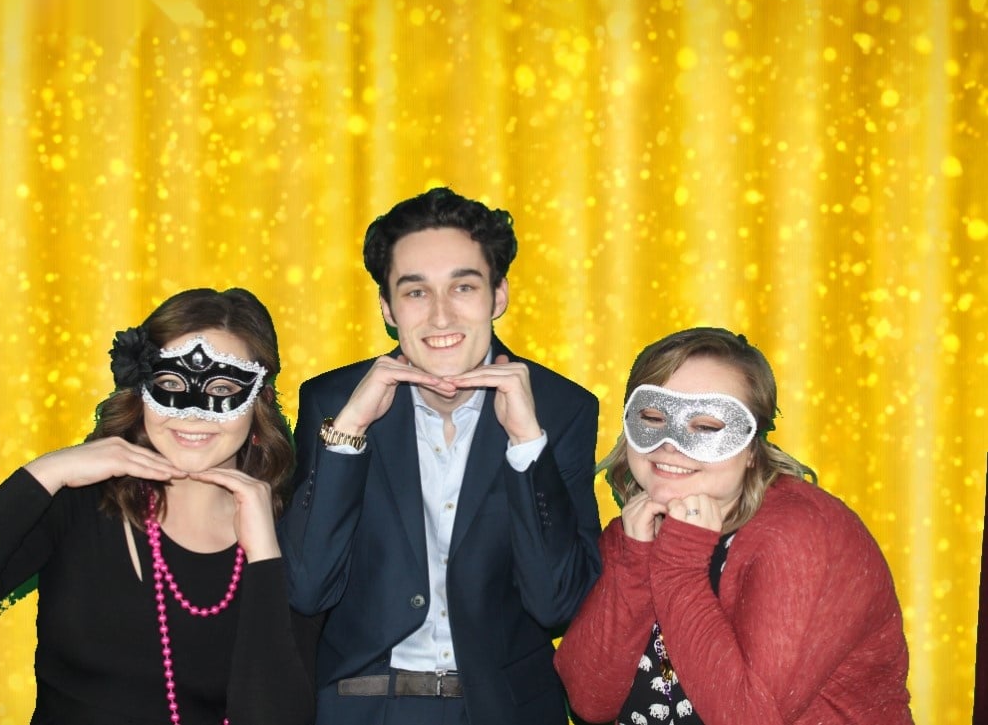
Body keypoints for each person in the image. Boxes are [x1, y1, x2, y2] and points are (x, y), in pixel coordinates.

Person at [278, 187, 602, 725]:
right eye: (416, 292)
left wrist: (527, 444)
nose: (441, 315)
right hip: (362, 705)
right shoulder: (333, 402)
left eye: (463, 286)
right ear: (387, 308)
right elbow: (307, 588)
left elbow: (557, 604)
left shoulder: (561, 408)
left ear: (498, 296)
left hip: (501, 709)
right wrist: (348, 434)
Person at [0, 287, 317, 725]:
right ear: (141, 390)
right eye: (171, 384)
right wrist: (45, 473)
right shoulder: (80, 504)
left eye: (222, 388)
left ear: (259, 401)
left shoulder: (296, 534)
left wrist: (264, 559)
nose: (193, 413)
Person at [553, 327, 913, 725]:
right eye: (653, 418)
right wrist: (633, 562)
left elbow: (748, 717)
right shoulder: (639, 523)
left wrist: (680, 564)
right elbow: (589, 701)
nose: (670, 444)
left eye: (707, 426)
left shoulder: (803, 533)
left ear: (753, 449)